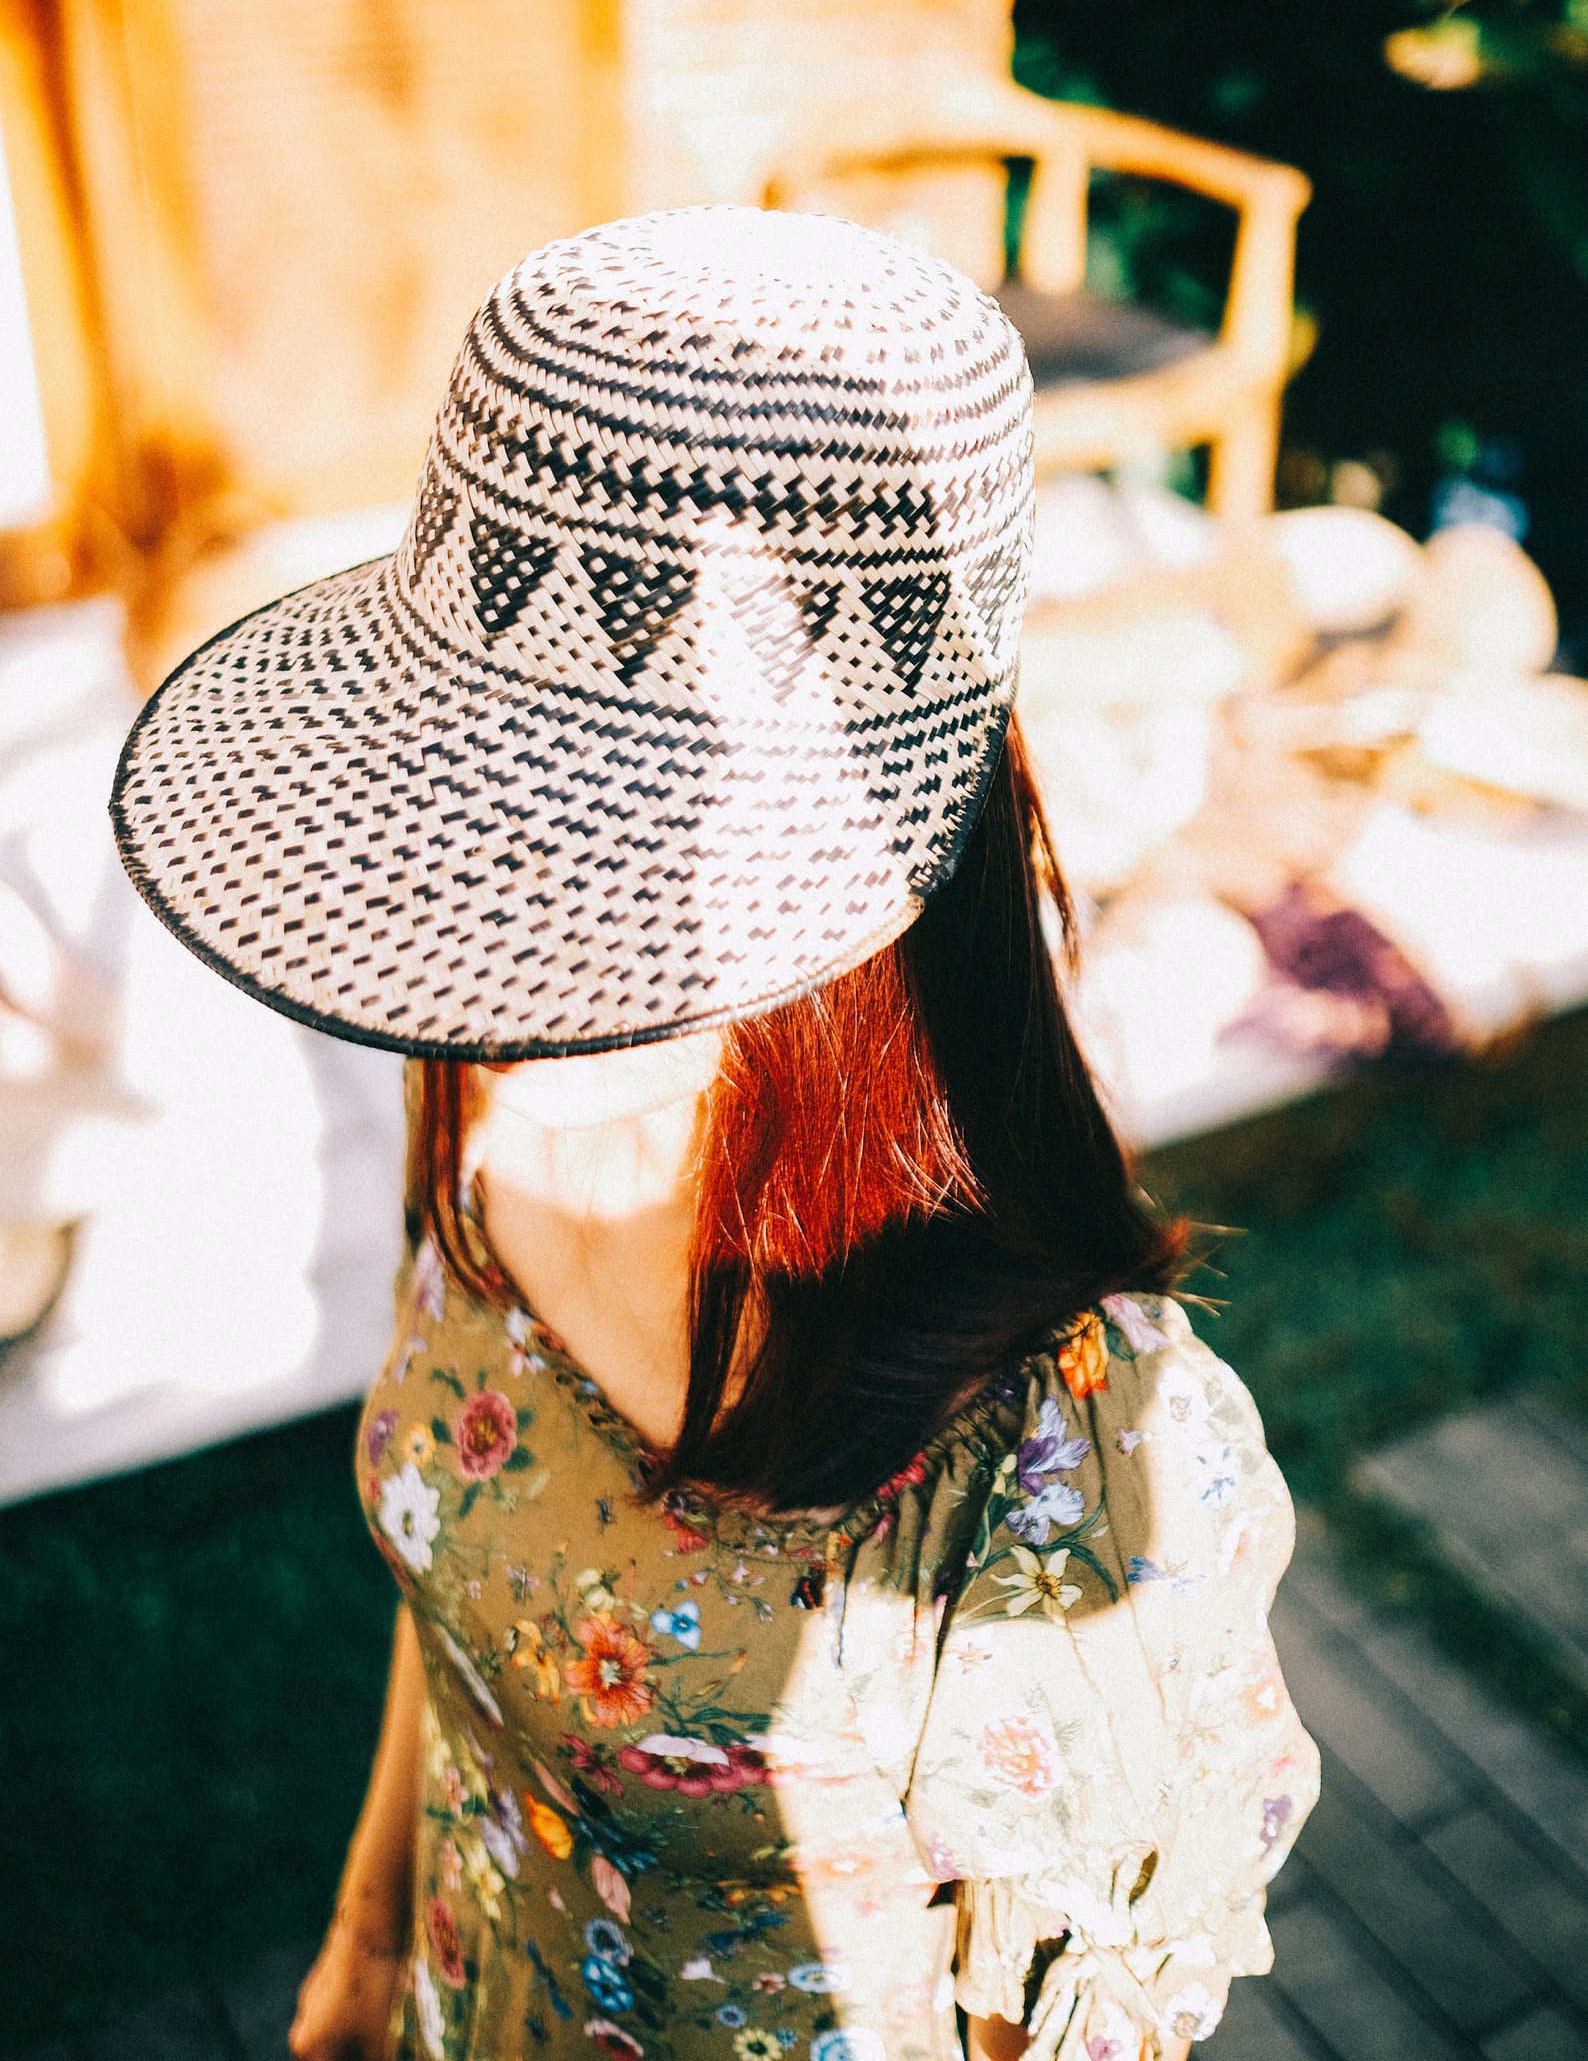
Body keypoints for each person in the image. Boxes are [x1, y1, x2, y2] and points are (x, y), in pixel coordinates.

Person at [112, 207, 1317, 2061]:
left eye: (622, 868)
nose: (503, 968)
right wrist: (364, 1952)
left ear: (885, 912)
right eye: (468, 815)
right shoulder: (490, 1151)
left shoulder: (1069, 1474)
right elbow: (459, 1598)